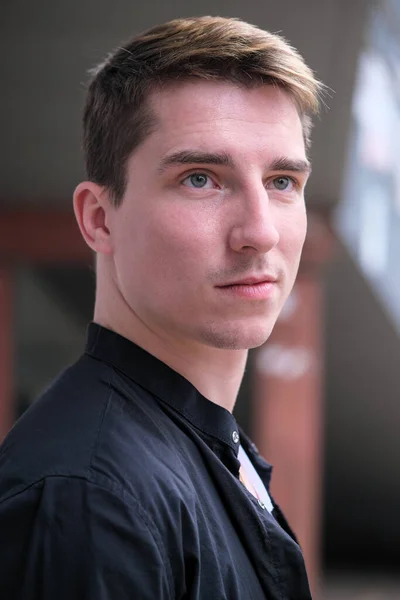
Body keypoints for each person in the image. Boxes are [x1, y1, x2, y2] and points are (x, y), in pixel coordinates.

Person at [0, 15, 323, 599]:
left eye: (281, 182)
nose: (259, 232)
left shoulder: (204, 450)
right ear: (100, 218)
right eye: (201, 178)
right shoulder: (91, 497)